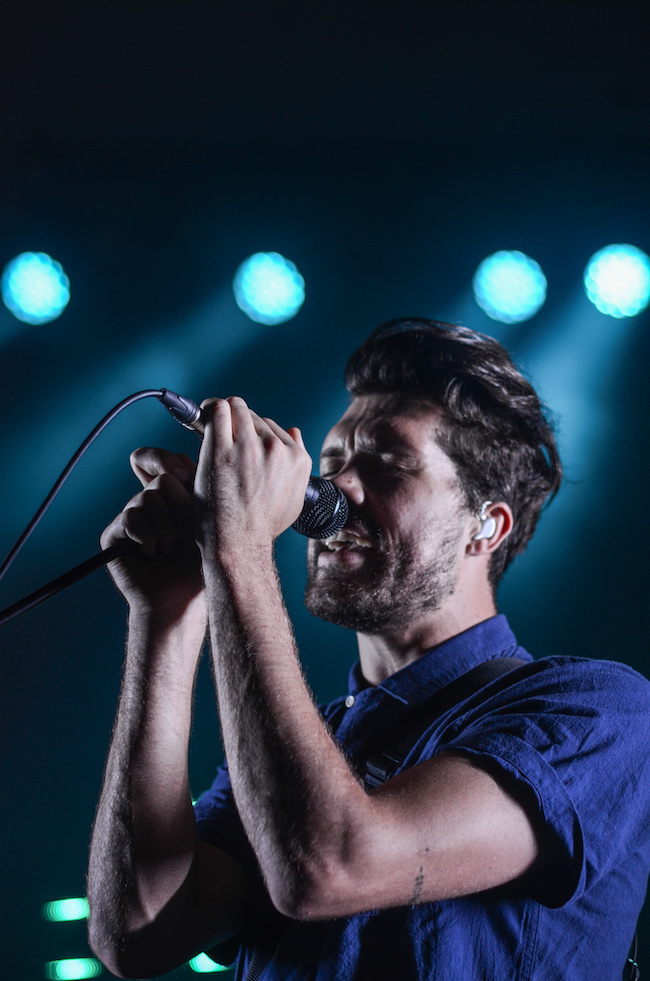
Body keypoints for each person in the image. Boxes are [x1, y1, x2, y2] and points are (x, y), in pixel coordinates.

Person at [87, 318, 650, 980]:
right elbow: (136, 932)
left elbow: (327, 865)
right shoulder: (297, 746)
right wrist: (168, 615)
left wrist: (236, 546)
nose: (338, 492)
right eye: (330, 466)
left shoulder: (600, 712)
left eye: (387, 464)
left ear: (486, 525)